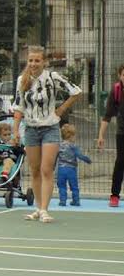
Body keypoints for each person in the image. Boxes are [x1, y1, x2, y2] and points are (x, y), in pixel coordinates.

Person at [13, 46, 81, 223]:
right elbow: (19, 107)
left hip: (50, 128)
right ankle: (38, 207)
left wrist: (61, 110)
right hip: (30, 130)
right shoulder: (22, 80)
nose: (33, 64)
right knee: (35, 170)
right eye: (31, 60)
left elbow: (76, 91)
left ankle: (44, 210)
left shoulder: (52, 77)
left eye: (37, 60)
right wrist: (15, 131)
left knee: (46, 169)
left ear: (44, 62)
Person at [97, 64, 124, 207]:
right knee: (120, 162)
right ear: (120, 76)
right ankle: (114, 195)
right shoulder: (116, 90)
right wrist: (101, 135)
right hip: (122, 132)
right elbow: (107, 116)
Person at [56, 123, 91, 207]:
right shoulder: (73, 146)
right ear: (71, 136)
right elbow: (80, 155)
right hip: (71, 169)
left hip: (61, 169)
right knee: (74, 186)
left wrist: (53, 166)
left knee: (61, 186)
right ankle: (76, 200)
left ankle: (62, 201)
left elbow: (55, 156)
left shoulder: (59, 146)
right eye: (75, 136)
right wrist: (87, 160)